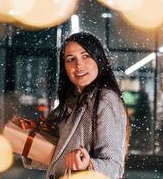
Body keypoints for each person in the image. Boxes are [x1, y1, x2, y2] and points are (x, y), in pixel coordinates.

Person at [24, 32, 129, 179]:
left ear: (99, 59)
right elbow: (58, 155)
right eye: (70, 59)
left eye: (85, 56)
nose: (78, 65)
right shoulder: (70, 100)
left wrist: (88, 165)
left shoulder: (106, 99)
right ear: (64, 67)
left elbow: (115, 167)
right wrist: (27, 138)